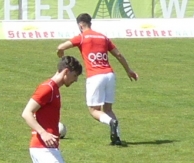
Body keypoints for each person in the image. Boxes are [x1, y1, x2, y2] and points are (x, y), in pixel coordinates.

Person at [56, 12, 138, 146]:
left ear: (80, 25)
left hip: (95, 76)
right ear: (90, 23)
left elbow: (61, 47)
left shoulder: (82, 37)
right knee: (108, 109)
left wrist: (60, 52)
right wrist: (128, 70)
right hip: (110, 75)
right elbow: (118, 55)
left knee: (94, 110)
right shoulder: (103, 37)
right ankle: (116, 137)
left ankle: (111, 122)